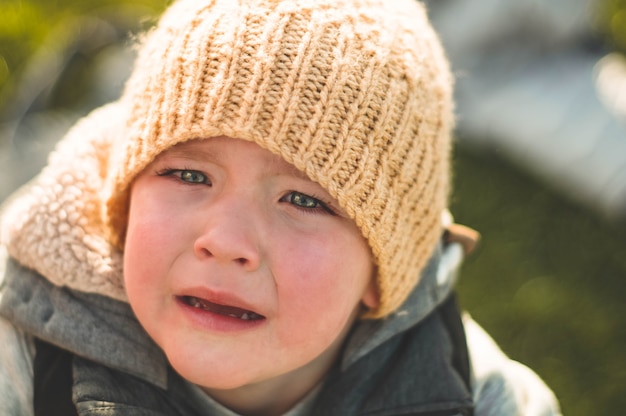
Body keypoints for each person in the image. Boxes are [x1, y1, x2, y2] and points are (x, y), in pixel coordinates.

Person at [0, 0, 561, 414]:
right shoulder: (22, 361)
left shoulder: (478, 396)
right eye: (190, 174)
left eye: (302, 200)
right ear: (123, 204)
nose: (224, 240)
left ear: (382, 271)